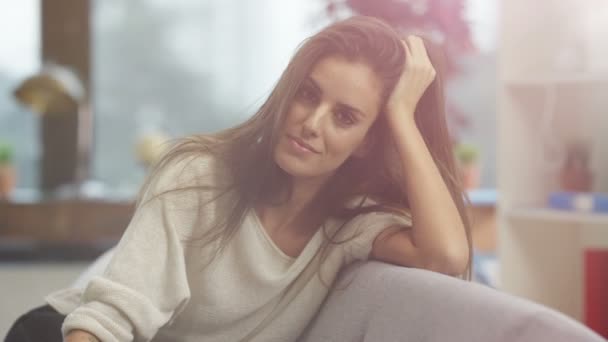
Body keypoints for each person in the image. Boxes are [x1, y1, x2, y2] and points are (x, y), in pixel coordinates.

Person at [6, 15, 471, 342]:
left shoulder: (349, 229)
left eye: (345, 117)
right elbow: (115, 311)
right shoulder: (198, 174)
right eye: (308, 95)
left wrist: (402, 118)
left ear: (370, 140)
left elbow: (446, 256)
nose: (312, 122)